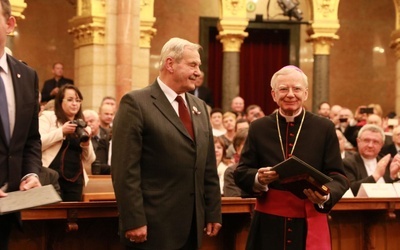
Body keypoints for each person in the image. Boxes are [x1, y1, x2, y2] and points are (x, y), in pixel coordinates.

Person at [111, 37, 221, 250]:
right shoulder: (136, 103)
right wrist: (134, 220)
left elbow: (207, 166)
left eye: (199, 66)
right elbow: (125, 170)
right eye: (192, 65)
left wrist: (213, 211)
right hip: (153, 228)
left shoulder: (199, 106)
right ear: (170, 64)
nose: (198, 72)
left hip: (192, 227)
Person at [234, 65, 349, 250]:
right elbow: (241, 172)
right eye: (283, 89)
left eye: (296, 89)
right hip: (268, 225)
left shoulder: (324, 127)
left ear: (305, 93)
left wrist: (325, 195)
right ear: (273, 94)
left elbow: (339, 176)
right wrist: (258, 178)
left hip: (309, 220)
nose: (290, 94)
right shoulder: (258, 127)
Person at [0, 1, 42, 248]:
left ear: (10, 24)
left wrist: (30, 173)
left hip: (8, 209)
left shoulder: (27, 76)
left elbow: (31, 138)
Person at [39, 84, 95, 201]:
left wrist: (86, 144)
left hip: (75, 180)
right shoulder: (48, 117)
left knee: (72, 217)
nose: (75, 104)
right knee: (53, 216)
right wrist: (61, 132)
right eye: (70, 100)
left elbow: (89, 160)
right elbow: (38, 144)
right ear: (60, 102)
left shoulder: (83, 125)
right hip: (51, 178)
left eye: (78, 100)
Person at [343, 124, 400, 196]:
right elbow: (350, 190)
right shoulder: (347, 163)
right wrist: (376, 175)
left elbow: (394, 192)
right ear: (358, 142)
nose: (370, 145)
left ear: (381, 145)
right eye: (366, 140)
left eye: (375, 142)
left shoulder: (388, 162)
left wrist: (393, 176)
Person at [223, 128, 250, 197]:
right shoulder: (232, 172)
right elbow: (235, 202)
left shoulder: (267, 169)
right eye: (246, 144)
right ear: (238, 149)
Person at [83, 109, 110, 174]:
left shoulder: (109, 135)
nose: (88, 124)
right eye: (85, 122)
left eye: (91, 121)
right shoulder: (81, 138)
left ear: (98, 122)